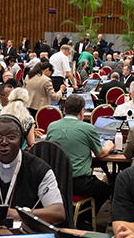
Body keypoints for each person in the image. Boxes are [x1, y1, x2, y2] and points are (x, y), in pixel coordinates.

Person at [43, 94, 114, 227]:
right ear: (82, 111)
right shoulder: (88, 128)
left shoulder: (52, 126)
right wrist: (109, 145)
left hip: (57, 180)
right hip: (80, 183)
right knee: (106, 189)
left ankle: (77, 216)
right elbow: (100, 154)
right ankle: (83, 218)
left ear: (64, 109)